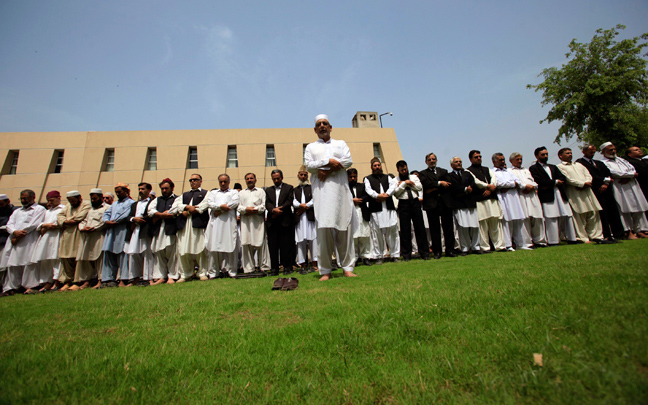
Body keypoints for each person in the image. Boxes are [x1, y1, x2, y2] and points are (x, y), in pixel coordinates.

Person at [304, 114, 357, 280]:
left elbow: (348, 161)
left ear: (330, 127)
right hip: (322, 196)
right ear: (315, 129)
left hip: (341, 192)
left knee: (344, 230)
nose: (322, 126)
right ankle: (325, 270)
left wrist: (328, 169)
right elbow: (309, 166)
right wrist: (329, 161)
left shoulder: (340, 144)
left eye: (325, 123)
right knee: (324, 232)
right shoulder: (311, 147)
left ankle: (347, 267)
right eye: (319, 124)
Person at [529, 147, 579, 245]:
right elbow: (539, 181)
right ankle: (553, 240)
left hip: (559, 193)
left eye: (546, 154)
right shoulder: (534, 168)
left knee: (567, 216)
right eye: (543, 154)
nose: (545, 156)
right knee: (551, 217)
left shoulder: (553, 167)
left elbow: (562, 177)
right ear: (537, 156)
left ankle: (572, 238)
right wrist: (555, 182)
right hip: (547, 195)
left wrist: (556, 182)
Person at [0, 190, 46, 296]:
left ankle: (29, 286)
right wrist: (14, 232)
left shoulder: (39, 209)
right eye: (21, 198)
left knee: (28, 263)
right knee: (13, 264)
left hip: (29, 240)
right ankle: (11, 287)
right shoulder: (17, 211)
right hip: (15, 240)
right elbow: (9, 224)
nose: (23, 200)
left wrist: (20, 234)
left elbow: (33, 224)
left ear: (33, 197)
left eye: (25, 198)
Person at [556, 148, 607, 243]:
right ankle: (583, 237)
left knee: (593, 213)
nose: (570, 155)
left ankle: (596, 236)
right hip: (575, 192)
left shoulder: (579, 165)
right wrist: (581, 184)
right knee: (579, 215)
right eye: (567, 153)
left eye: (571, 153)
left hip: (587, 191)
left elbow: (588, 175)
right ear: (561, 156)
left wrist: (587, 182)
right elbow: (567, 179)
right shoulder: (560, 167)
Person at [576, 145, 624, 242]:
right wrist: (603, 180)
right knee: (602, 213)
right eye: (590, 152)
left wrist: (606, 183)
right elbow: (589, 175)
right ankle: (605, 234)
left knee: (613, 211)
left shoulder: (599, 163)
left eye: (594, 152)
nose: (592, 154)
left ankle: (619, 234)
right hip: (595, 190)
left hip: (606, 189)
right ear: (584, 152)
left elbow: (608, 173)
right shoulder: (580, 163)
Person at [600, 142, 648, 238]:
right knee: (624, 209)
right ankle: (628, 231)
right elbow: (614, 173)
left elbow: (632, 169)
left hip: (632, 185)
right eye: (610, 150)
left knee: (639, 207)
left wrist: (630, 176)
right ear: (604, 152)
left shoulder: (622, 160)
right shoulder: (604, 162)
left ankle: (641, 230)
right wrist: (629, 175)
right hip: (620, 187)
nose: (613, 151)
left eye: (614, 149)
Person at [170, 174, 209, 281]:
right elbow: (176, 206)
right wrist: (187, 207)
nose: (193, 182)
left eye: (195, 180)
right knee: (183, 249)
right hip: (184, 225)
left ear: (200, 181)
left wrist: (195, 210)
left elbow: (205, 205)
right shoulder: (184, 195)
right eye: (191, 180)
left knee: (200, 248)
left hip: (198, 224)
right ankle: (185, 273)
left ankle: (202, 272)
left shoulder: (206, 193)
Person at [491, 153, 533, 250]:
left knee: (519, 220)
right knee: (506, 221)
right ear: (494, 161)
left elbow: (518, 181)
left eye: (503, 159)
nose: (503, 162)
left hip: (514, 197)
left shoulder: (508, 171)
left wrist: (510, 185)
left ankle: (521, 244)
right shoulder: (492, 172)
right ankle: (508, 244)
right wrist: (512, 184)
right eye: (500, 160)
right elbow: (498, 184)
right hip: (503, 198)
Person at [418, 153, 456, 259]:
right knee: (434, 229)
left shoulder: (443, 171)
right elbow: (425, 184)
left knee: (448, 228)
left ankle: (450, 250)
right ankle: (437, 251)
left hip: (445, 202)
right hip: (432, 204)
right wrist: (439, 184)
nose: (432, 161)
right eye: (429, 159)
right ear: (426, 162)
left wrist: (433, 187)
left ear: (436, 160)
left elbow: (448, 184)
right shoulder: (423, 173)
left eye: (433, 159)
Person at [466, 150, 506, 252]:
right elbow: (476, 182)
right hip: (480, 200)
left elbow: (494, 179)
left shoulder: (487, 169)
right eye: (476, 157)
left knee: (496, 223)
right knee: (482, 225)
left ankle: (499, 246)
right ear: (470, 159)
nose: (479, 158)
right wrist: (487, 186)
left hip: (492, 199)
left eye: (480, 156)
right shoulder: (468, 171)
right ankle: (485, 247)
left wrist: (491, 187)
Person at [27, 191, 65, 293]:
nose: (50, 203)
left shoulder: (63, 209)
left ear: (58, 198)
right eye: (48, 201)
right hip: (46, 238)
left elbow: (60, 222)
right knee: (45, 260)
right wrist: (44, 225)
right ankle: (46, 282)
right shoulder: (47, 211)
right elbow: (39, 224)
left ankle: (57, 281)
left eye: (52, 200)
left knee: (56, 260)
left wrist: (49, 225)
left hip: (57, 236)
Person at [364, 157, 400, 264]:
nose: (377, 167)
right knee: (377, 233)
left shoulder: (387, 177)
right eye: (375, 166)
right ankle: (379, 256)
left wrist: (387, 194)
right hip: (376, 209)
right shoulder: (368, 178)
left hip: (388, 207)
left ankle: (395, 254)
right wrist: (378, 196)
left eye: (378, 165)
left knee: (392, 231)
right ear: (371, 167)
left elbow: (393, 186)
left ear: (381, 166)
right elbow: (368, 190)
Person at [508, 153, 547, 247]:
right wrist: (525, 186)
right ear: (511, 161)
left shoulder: (526, 170)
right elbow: (514, 183)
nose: (519, 161)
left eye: (520, 159)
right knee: (524, 219)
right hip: (521, 194)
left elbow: (533, 181)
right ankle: (527, 242)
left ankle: (540, 241)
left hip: (532, 194)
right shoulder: (509, 171)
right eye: (517, 159)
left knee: (537, 217)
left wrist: (532, 186)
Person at [393, 160, 429, 261]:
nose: (404, 171)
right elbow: (396, 193)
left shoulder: (413, 177)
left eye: (405, 169)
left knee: (420, 228)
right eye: (402, 170)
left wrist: (408, 183)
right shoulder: (395, 180)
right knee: (405, 229)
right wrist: (404, 184)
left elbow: (419, 188)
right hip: (403, 203)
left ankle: (424, 253)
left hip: (415, 202)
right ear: (398, 170)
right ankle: (406, 255)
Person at [205, 174, 240, 278]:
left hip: (229, 223)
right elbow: (210, 204)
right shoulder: (213, 193)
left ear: (229, 182)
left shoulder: (234, 192)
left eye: (225, 181)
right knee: (213, 247)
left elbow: (234, 203)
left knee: (231, 246)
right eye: (221, 182)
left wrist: (219, 211)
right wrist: (221, 206)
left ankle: (232, 271)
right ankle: (213, 272)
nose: (223, 184)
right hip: (215, 224)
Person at [101, 184, 135, 287]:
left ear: (126, 192)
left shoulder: (131, 203)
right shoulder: (114, 204)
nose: (117, 194)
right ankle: (108, 279)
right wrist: (106, 221)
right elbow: (107, 213)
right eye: (116, 192)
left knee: (123, 255)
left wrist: (115, 221)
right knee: (109, 255)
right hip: (111, 232)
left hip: (122, 230)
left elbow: (126, 214)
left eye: (119, 192)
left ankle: (123, 278)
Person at [57, 190, 91, 291]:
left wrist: (66, 220)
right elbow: (59, 216)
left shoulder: (86, 204)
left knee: (78, 258)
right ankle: (68, 281)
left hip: (78, 233)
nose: (72, 203)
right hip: (67, 234)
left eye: (73, 200)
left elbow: (80, 216)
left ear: (79, 197)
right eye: (70, 201)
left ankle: (78, 281)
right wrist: (65, 221)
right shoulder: (68, 206)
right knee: (66, 258)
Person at [446, 157, 481, 255]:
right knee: (463, 226)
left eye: (460, 162)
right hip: (459, 203)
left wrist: (470, 188)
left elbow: (473, 183)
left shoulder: (467, 173)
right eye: (456, 162)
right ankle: (465, 247)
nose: (458, 163)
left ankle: (476, 246)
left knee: (475, 225)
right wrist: (465, 189)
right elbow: (453, 187)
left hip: (470, 202)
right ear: (452, 165)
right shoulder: (450, 176)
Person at [238, 173, 271, 274]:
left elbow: (263, 205)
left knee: (261, 243)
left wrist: (255, 210)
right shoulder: (241, 193)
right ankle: (249, 268)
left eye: (251, 178)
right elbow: (238, 207)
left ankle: (264, 267)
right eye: (247, 179)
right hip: (246, 223)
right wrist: (246, 209)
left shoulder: (261, 191)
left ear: (255, 180)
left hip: (258, 222)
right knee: (246, 244)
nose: (249, 180)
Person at [76, 189, 109, 289]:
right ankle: (87, 281)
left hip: (98, 235)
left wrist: (94, 228)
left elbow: (105, 222)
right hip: (87, 237)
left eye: (95, 198)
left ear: (101, 197)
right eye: (92, 199)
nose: (93, 201)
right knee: (86, 259)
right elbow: (83, 221)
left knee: (99, 259)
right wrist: (82, 228)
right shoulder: (91, 210)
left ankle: (100, 280)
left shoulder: (107, 208)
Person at [123, 183, 155, 286]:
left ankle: (148, 277)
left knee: (147, 253)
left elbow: (151, 215)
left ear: (149, 190)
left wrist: (140, 220)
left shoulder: (153, 202)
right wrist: (133, 219)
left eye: (143, 189)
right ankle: (135, 278)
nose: (140, 191)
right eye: (139, 189)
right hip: (134, 230)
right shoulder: (134, 204)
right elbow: (128, 217)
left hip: (145, 229)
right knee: (133, 254)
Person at [149, 178, 180, 284]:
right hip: (158, 230)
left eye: (166, 188)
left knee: (172, 253)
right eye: (162, 189)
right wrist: (162, 214)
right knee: (159, 253)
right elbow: (150, 211)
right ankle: (161, 276)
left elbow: (173, 211)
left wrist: (157, 214)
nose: (164, 190)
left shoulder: (177, 199)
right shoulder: (157, 200)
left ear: (172, 188)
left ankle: (172, 275)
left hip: (171, 229)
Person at [265, 169, 295, 276]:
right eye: (274, 179)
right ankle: (274, 268)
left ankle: (287, 267)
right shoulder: (268, 190)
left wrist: (279, 210)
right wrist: (273, 210)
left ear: (282, 177)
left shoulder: (289, 188)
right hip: (272, 221)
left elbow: (290, 201)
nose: (276, 180)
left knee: (285, 245)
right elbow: (267, 202)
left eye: (278, 178)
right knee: (273, 246)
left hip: (285, 220)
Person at [293, 166, 318, 273]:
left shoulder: (312, 188)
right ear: (298, 176)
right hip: (299, 219)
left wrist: (305, 206)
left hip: (310, 218)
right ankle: (302, 264)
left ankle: (314, 264)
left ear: (307, 176)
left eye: (305, 175)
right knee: (300, 241)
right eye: (301, 175)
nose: (303, 177)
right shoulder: (294, 190)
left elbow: (315, 199)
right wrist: (300, 206)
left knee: (313, 240)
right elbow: (293, 202)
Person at [347, 168, 372, 266]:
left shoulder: (363, 186)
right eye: (351, 177)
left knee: (364, 236)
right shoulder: (345, 187)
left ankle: (366, 257)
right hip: (351, 213)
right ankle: (355, 258)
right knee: (353, 237)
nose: (353, 178)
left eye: (354, 176)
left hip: (362, 212)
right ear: (347, 177)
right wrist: (352, 201)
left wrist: (359, 200)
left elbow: (368, 196)